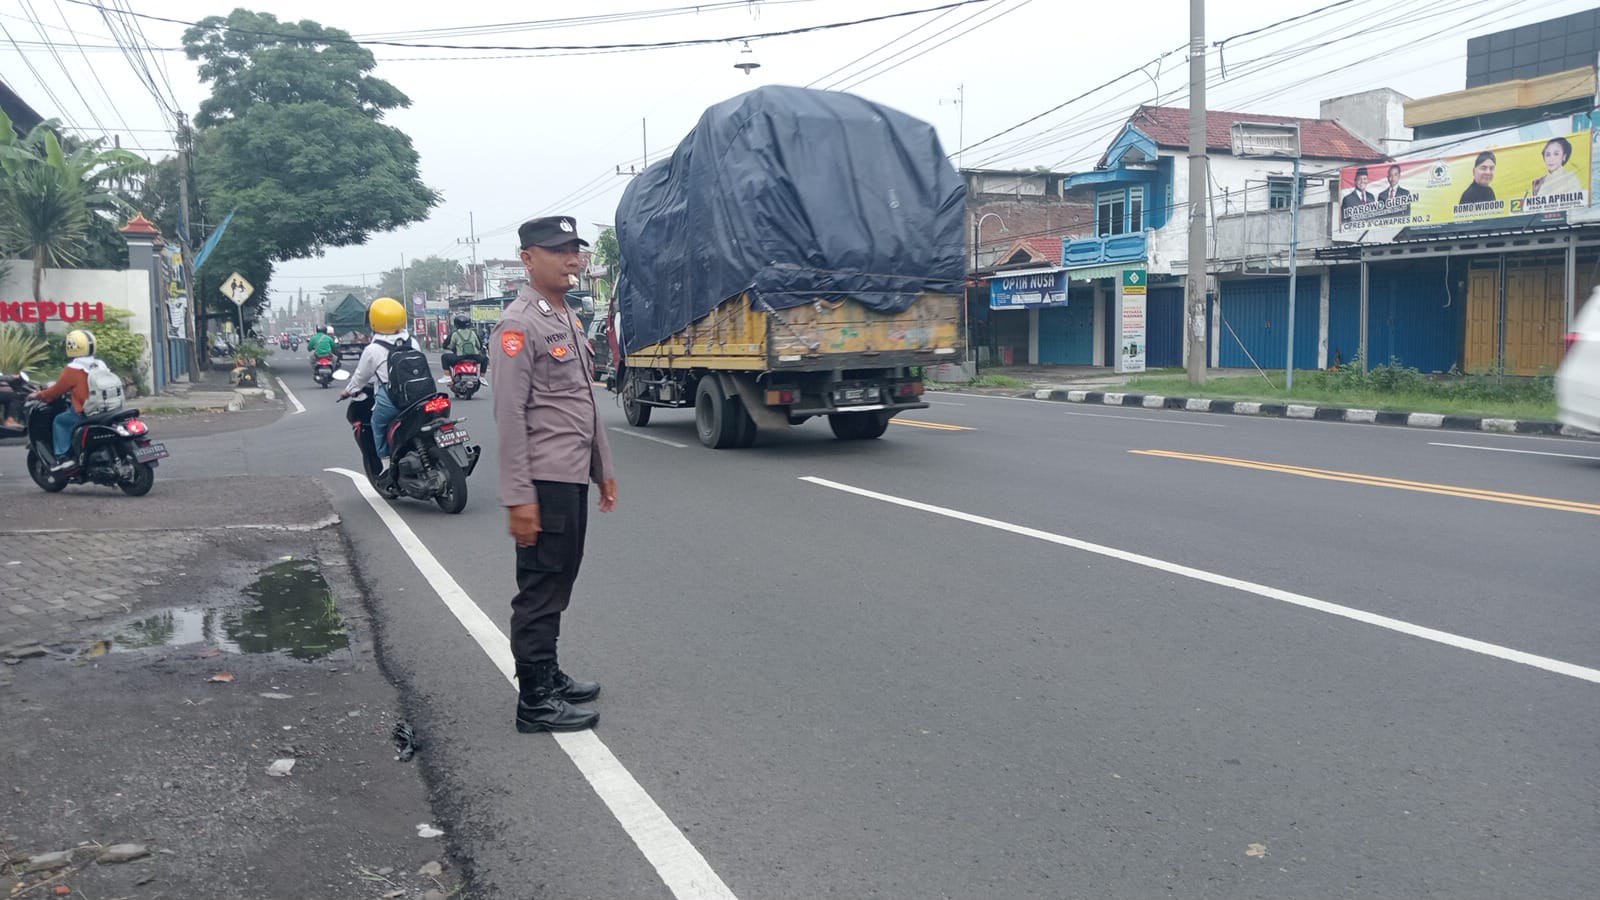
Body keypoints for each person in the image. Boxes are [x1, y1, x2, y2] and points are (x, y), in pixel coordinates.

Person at [492, 215, 618, 734]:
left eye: (576, 249)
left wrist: (603, 468)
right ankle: (535, 702)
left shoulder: (564, 316)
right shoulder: (518, 325)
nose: (573, 258)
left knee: (559, 581)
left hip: (568, 478)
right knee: (541, 588)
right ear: (528, 258)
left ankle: (548, 673)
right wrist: (519, 497)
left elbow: (582, 404)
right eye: (559, 250)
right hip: (543, 482)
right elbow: (509, 415)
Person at [338, 297, 411, 476]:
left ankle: (386, 465)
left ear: (374, 321)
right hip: (419, 395)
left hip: (393, 399)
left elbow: (360, 377)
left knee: (376, 424)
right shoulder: (412, 341)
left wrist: (348, 391)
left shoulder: (373, 349)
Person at [30, 330, 107, 471]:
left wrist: (38, 395)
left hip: (87, 411)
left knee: (60, 421)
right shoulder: (100, 364)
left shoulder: (74, 369)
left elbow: (54, 392)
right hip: (108, 408)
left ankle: (63, 457)